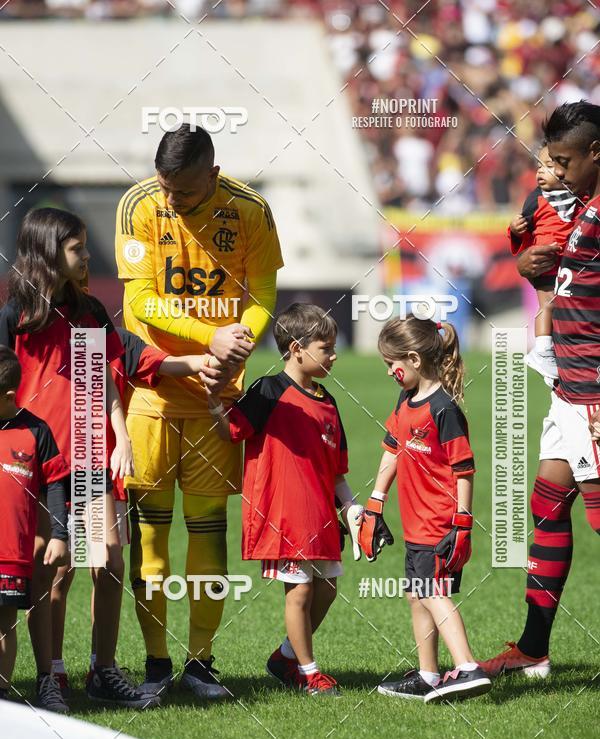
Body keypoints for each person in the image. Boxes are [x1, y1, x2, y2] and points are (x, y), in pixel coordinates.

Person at [115, 124, 284, 700]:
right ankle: (157, 664)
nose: (172, 200)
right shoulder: (139, 205)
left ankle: (202, 662)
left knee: (209, 531)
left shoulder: (250, 210)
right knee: (152, 539)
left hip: (217, 399)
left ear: (212, 175)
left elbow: (262, 291)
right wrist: (209, 336)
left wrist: (240, 341)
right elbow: (138, 300)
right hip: (153, 395)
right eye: (166, 187)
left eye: (184, 192)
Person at [0, 207, 158, 710]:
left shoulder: (90, 311)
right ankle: (51, 676)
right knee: (51, 569)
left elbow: (108, 374)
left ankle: (102, 671)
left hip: (90, 456)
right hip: (37, 465)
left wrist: (121, 435)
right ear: (49, 252)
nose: (88, 255)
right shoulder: (12, 319)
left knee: (108, 562)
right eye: (77, 247)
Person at [481, 101, 600, 678]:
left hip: (595, 389)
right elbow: (561, 272)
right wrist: (530, 264)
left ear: (596, 154)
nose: (555, 170)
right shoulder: (569, 205)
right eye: (551, 159)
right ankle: (533, 648)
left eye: (566, 161)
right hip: (568, 383)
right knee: (548, 503)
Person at [49, 327, 218, 697]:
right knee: (59, 574)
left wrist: (207, 358)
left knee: (102, 567)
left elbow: (158, 363)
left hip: (96, 472)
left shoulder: (103, 333)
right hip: (53, 468)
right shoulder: (39, 332)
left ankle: (99, 670)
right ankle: (53, 671)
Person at [205, 303, 363, 695]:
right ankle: (309, 673)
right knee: (301, 591)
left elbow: (337, 471)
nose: (333, 355)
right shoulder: (268, 390)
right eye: (325, 348)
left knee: (327, 589)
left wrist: (351, 507)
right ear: (296, 348)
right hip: (284, 515)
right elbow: (232, 431)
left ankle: (285, 656)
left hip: (321, 516)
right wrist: (211, 401)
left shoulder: (328, 402)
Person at [358, 315, 491, 703]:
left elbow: (465, 469)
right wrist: (375, 503)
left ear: (414, 359)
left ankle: (467, 667)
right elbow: (392, 449)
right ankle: (429, 675)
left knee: (431, 591)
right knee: (416, 594)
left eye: (391, 364)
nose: (388, 372)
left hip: (439, 523)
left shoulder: (444, 409)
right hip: (415, 524)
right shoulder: (405, 400)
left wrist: (462, 523)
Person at [0, 346, 70, 709]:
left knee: (3, 624)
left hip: (11, 554)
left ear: (9, 397)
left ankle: (4, 699)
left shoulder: (36, 431)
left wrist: (60, 534)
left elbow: (57, 484)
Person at [508, 143, 581, 382]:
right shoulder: (536, 199)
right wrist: (516, 231)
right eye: (539, 166)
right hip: (544, 261)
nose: (540, 171)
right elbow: (525, 230)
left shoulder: (580, 196)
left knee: (562, 307)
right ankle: (541, 349)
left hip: (566, 264)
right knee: (548, 305)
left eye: (549, 166)